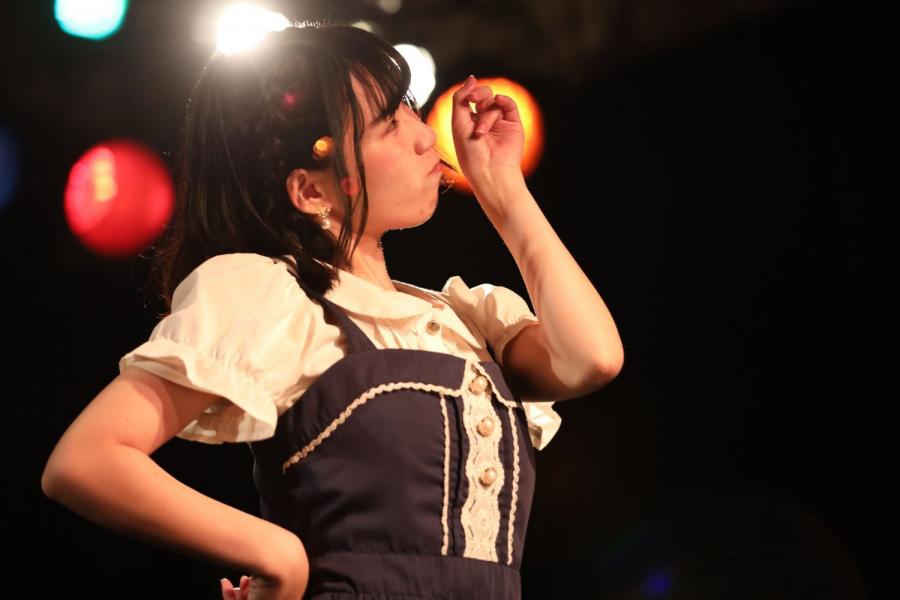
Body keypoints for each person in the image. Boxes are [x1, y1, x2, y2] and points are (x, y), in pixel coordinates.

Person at [41, 22, 624, 600]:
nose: (427, 136)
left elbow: (592, 358)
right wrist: (276, 552)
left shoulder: (463, 319)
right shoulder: (276, 299)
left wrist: (500, 185)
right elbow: (88, 459)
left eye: (409, 108)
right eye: (389, 124)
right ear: (312, 191)